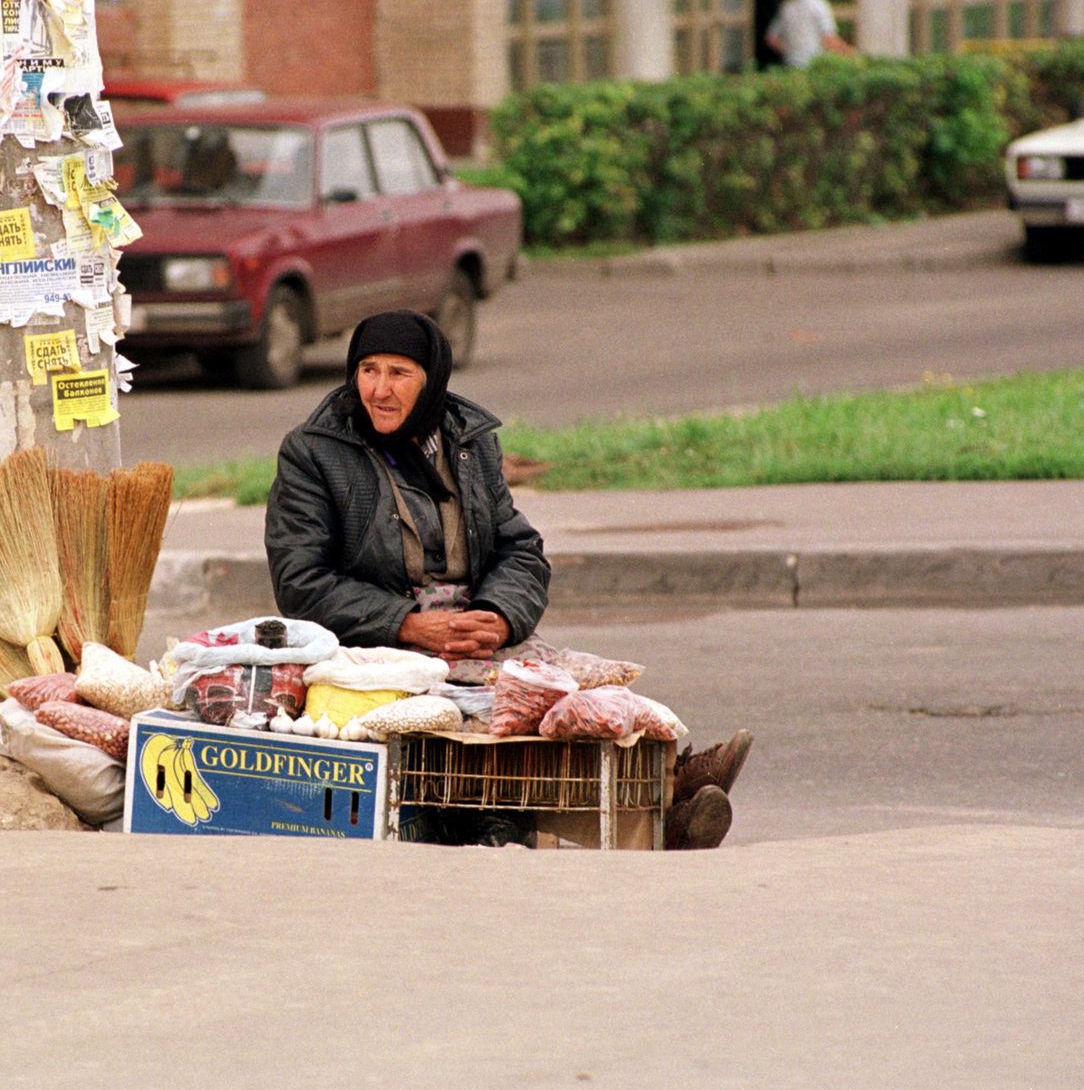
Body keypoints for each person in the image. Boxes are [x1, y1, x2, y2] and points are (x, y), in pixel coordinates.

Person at [264, 309, 751, 849]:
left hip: (475, 630)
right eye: (368, 370)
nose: (379, 389)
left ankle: (667, 787)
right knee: (503, 722)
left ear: (432, 380)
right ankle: (670, 806)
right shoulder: (313, 452)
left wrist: (499, 616)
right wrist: (408, 624)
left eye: (399, 373)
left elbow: (520, 548)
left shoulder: (468, 444)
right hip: (380, 642)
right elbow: (300, 579)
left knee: (579, 696)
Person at [764, 0, 856, 69]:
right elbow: (829, 39)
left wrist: (790, 52)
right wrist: (850, 53)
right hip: (812, 64)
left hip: (790, 64)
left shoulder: (788, 6)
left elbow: (770, 39)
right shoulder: (820, 5)